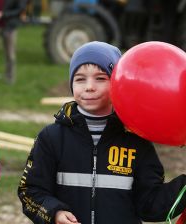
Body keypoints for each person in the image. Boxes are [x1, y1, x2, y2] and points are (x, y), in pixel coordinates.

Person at [17, 41, 186, 224]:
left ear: (118, 82)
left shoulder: (136, 142)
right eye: (80, 79)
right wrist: (54, 213)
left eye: (100, 78)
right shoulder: (51, 138)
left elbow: (150, 206)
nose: (89, 86)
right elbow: (30, 191)